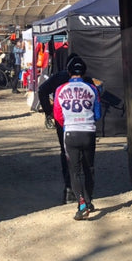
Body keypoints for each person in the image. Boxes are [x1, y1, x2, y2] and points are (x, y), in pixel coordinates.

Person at [38, 53, 95, 204]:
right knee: (86, 158)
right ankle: (85, 194)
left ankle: (70, 189)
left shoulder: (60, 77)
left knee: (67, 154)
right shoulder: (86, 80)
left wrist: (48, 111)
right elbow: (96, 98)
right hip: (84, 123)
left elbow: (42, 90)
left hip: (63, 121)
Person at [52, 56, 101, 220]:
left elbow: (57, 115)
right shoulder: (92, 89)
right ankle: (88, 201)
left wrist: (67, 123)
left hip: (70, 132)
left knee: (74, 170)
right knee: (89, 168)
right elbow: (98, 114)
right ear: (84, 72)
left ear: (69, 72)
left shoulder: (60, 89)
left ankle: (81, 204)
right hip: (88, 132)